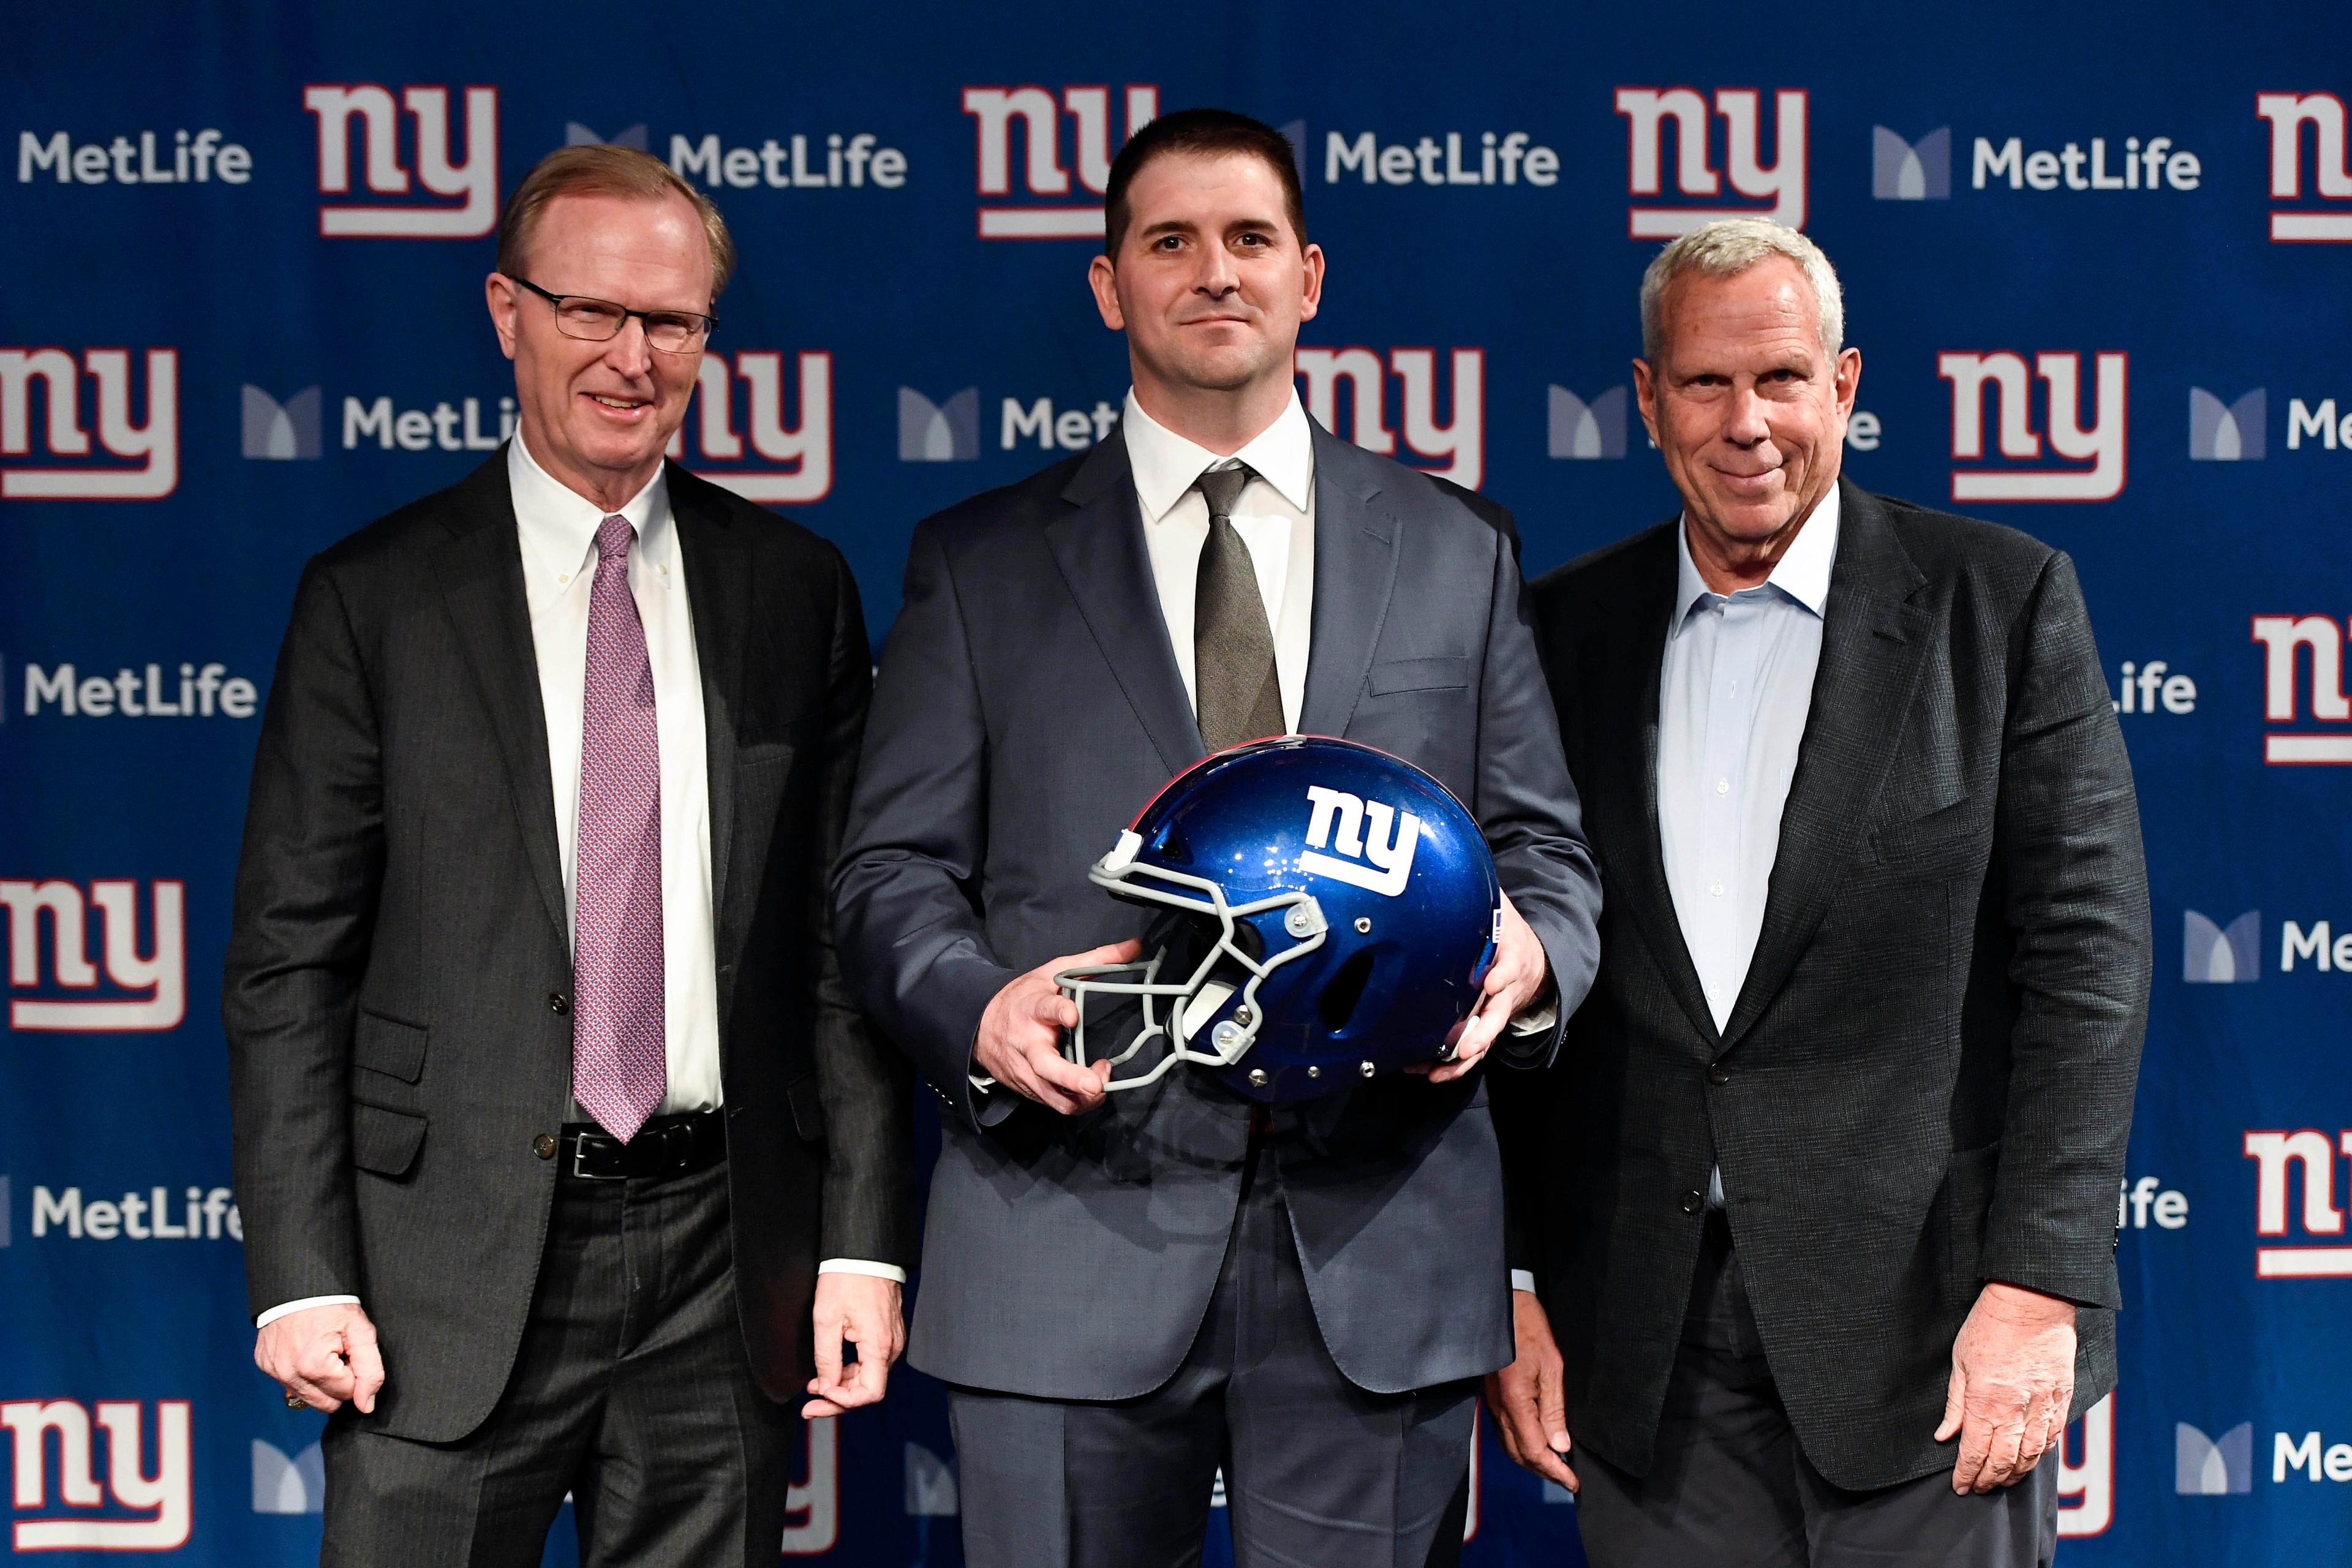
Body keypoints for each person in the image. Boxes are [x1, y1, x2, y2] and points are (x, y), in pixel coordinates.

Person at [832, 109, 1602, 1568]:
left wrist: (1523, 958)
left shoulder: (1456, 549)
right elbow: (888, 872)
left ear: (1309, 276)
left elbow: (1546, 855)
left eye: (1250, 239)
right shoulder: (980, 563)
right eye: (1169, 241)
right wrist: (977, 1005)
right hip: (1070, 1228)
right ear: (1108, 286)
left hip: (1381, 1245)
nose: (1215, 272)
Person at [223, 143, 912, 1566]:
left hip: (722, 1266)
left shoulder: (796, 591)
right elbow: (289, 961)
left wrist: (858, 1239)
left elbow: (839, 958)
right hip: (440, 1276)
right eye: (589, 310)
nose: (630, 356)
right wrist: (300, 1273)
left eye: (670, 321)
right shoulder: (375, 596)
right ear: (507, 310)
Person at [1488, 217, 2152, 1566]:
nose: (1748, 423)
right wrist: (1505, 1278)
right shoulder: (1558, 634)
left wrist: (2042, 1281)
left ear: (1843, 386)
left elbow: (2087, 957)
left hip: (1933, 1337)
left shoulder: (1998, 603)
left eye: (1783, 378)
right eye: (1707, 384)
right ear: (1646, 397)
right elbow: (1507, 974)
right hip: (1644, 1338)